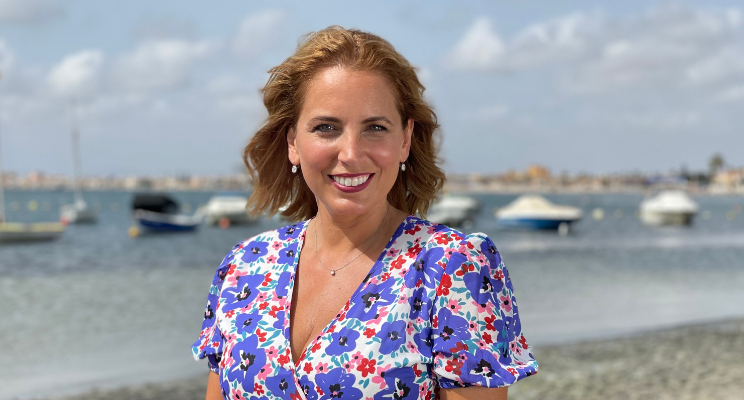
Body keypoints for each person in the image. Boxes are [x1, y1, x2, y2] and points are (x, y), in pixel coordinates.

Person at [192, 26, 537, 400]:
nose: (351, 153)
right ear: (293, 142)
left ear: (404, 140)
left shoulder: (450, 268)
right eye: (326, 127)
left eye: (375, 127)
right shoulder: (244, 267)